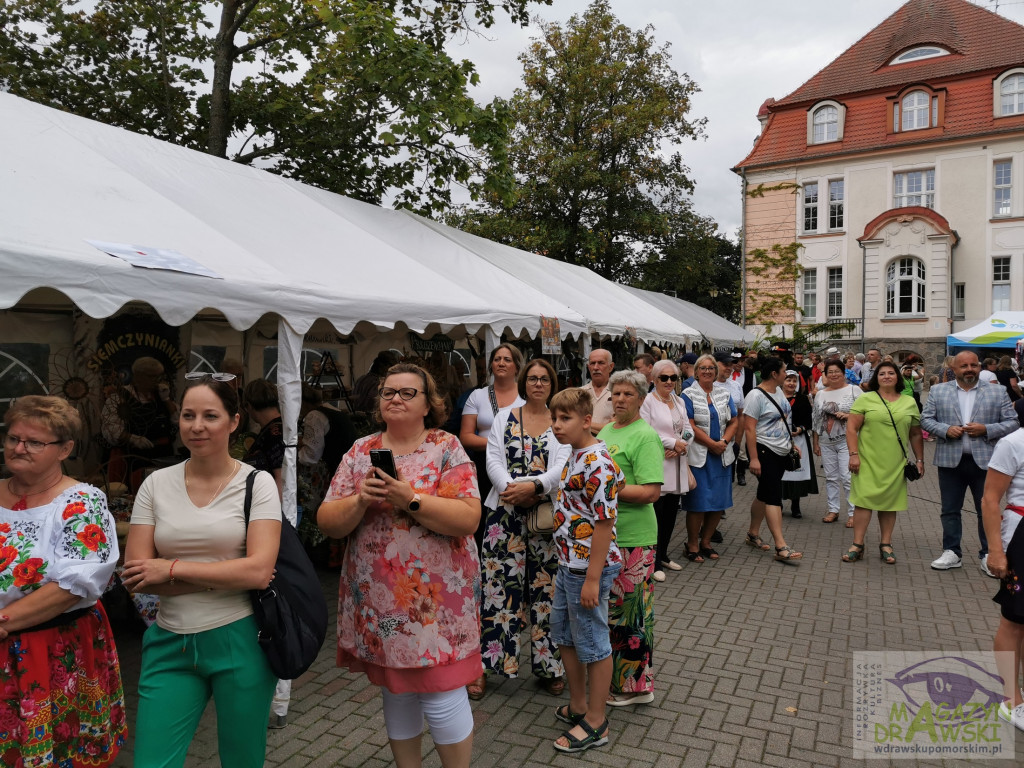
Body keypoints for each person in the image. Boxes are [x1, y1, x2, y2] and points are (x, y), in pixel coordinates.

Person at [317, 363, 481, 768]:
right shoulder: (360, 450)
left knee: (442, 693)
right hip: (382, 602)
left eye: (409, 393)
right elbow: (328, 522)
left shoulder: (445, 447)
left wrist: (410, 498)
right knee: (398, 691)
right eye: (389, 391)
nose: (396, 398)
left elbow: (468, 518)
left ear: (429, 404)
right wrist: (358, 500)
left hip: (438, 604)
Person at [123, 375, 283, 767]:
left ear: (234, 421)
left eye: (210, 415)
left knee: (241, 760)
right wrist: (224, 574)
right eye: (188, 415)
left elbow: (260, 572)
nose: (196, 426)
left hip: (240, 640)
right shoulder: (156, 484)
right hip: (168, 642)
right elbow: (137, 576)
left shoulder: (256, 484)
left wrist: (171, 568)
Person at [0, 396, 126, 766]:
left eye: (35, 442)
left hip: (50, 648)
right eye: (13, 438)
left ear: (64, 449)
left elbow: (73, 586)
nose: (19, 448)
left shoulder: (82, 502)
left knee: (54, 750)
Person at [474, 359, 570, 700]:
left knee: (547, 595)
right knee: (498, 592)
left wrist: (536, 487)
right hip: (504, 515)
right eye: (533, 378)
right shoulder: (504, 417)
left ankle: (550, 667)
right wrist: (510, 489)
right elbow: (493, 459)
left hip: (545, 518)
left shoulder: (560, 420)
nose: (538, 384)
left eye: (545, 379)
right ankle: (491, 665)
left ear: (552, 382)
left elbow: (563, 462)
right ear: (524, 382)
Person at [548, 388, 623, 754]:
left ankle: (597, 720)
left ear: (586, 420)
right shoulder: (577, 453)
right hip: (568, 563)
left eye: (565, 419)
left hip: (587, 569)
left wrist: (593, 577)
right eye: (555, 418)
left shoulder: (597, 461)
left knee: (593, 642)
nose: (557, 425)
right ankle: (579, 705)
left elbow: (605, 522)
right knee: (564, 634)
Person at [596, 371, 663, 707]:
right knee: (614, 612)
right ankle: (617, 679)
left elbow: (651, 492)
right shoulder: (609, 429)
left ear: (640, 398)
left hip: (634, 537)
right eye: (615, 393)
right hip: (608, 534)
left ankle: (637, 688)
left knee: (632, 614)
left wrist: (609, 489)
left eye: (626, 394)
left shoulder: (645, 436)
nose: (619, 399)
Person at [921, 350, 1019, 574]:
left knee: (987, 509)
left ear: (980, 367)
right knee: (949, 509)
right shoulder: (938, 391)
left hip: (986, 462)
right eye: (963, 366)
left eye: (974, 365)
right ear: (953, 369)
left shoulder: (997, 391)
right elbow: (925, 419)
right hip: (950, 461)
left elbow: (1012, 422)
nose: (969, 370)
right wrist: (945, 429)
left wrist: (987, 429)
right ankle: (951, 552)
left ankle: (988, 554)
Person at [842, 361, 923, 564]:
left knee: (889, 505)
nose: (886, 376)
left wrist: (919, 459)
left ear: (898, 377)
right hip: (867, 459)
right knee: (863, 502)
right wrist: (853, 454)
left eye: (891, 373)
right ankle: (857, 544)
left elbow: (915, 433)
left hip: (895, 462)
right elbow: (851, 429)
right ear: (876, 378)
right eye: (882, 374)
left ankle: (886, 544)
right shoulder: (865, 399)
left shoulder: (909, 402)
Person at [981, 421, 1024, 732]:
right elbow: (990, 500)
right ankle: (1011, 699)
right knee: (1014, 618)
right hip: (1022, 535)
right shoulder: (1013, 442)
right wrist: (995, 551)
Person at [743, 357, 803, 563]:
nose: (787, 375)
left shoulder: (778, 392)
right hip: (763, 450)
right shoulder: (754, 396)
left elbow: (785, 420)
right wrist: (753, 458)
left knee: (764, 493)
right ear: (774, 374)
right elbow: (749, 428)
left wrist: (791, 444)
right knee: (773, 495)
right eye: (784, 371)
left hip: (781, 450)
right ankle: (780, 545)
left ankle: (752, 534)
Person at [460, 344, 525, 522]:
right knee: (484, 514)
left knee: (515, 512)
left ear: (517, 367)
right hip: (484, 462)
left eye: (507, 359)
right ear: (491, 366)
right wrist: (498, 444)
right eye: (497, 359)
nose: (501, 363)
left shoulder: (527, 396)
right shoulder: (477, 396)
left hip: (518, 461)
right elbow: (465, 437)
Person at [639, 359, 692, 579]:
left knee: (671, 513)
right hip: (657, 463)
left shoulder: (678, 400)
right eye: (664, 377)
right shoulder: (648, 401)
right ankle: (652, 562)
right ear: (654, 379)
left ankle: (663, 554)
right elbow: (645, 430)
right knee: (656, 514)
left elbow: (689, 429)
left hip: (676, 463)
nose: (669, 382)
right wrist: (672, 443)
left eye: (673, 378)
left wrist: (682, 445)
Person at [681, 354, 737, 562]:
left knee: (718, 502)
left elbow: (734, 420)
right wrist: (711, 444)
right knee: (698, 502)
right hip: (699, 456)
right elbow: (689, 425)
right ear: (696, 372)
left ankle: (706, 542)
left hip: (722, 455)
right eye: (702, 368)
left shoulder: (724, 393)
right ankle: (692, 543)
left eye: (711, 368)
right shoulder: (688, 394)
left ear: (716, 372)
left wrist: (723, 442)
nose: (707, 371)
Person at [100, 355, 179, 490]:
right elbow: (110, 429)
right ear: (138, 375)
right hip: (133, 459)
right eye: (151, 377)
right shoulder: (119, 397)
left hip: (162, 456)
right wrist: (132, 438)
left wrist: (166, 400)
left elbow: (177, 420)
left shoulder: (160, 395)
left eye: (158, 377)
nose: (156, 381)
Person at [812, 359, 859, 527]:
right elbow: (816, 419)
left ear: (843, 372)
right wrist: (815, 442)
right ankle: (833, 510)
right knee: (831, 477)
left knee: (847, 477)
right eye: (829, 372)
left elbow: (865, 414)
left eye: (836, 371)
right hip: (826, 441)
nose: (833, 374)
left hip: (848, 441)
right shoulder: (821, 394)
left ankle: (853, 513)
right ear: (825, 375)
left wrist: (849, 416)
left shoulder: (855, 390)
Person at [781, 370, 818, 519]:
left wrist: (801, 429)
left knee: (795, 471)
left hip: (798, 441)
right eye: (788, 380)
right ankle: (778, 503)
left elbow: (809, 420)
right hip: (779, 440)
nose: (791, 383)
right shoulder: (775, 397)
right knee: (780, 472)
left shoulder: (802, 399)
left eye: (794, 381)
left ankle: (795, 505)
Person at [242, 378, 285, 498]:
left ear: (249, 406)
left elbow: (281, 478)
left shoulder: (274, 433)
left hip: (271, 504)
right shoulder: (279, 427)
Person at [581, 349, 615, 435]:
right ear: (589, 367)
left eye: (601, 363)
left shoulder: (619, 393)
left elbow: (617, 426)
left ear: (611, 367)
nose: (596, 367)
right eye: (592, 363)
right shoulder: (579, 393)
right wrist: (606, 426)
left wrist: (582, 423)